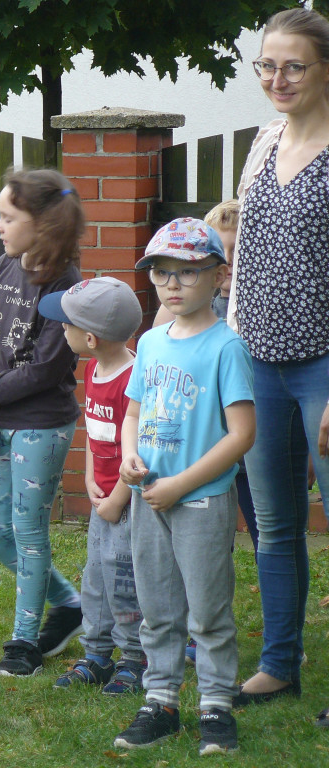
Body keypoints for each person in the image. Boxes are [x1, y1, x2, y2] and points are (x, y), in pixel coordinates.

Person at [114, 218, 254, 755]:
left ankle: (216, 706)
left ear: (219, 276)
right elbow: (133, 414)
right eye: (161, 273)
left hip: (200, 501)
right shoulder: (150, 342)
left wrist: (181, 485)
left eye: (187, 272)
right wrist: (129, 457)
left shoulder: (226, 347)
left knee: (208, 611)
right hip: (149, 498)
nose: (172, 284)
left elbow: (242, 434)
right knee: (157, 608)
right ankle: (161, 702)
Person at [224, 8, 329, 723]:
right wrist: (231, 351)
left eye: (294, 66)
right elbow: (244, 255)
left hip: (324, 365)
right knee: (276, 522)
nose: (277, 79)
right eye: (267, 65)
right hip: (259, 360)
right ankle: (278, 665)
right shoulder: (263, 141)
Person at [0, 169, 85, 676]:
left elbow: (47, 368)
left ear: (44, 224)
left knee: (29, 530)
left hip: (41, 424)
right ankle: (69, 604)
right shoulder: (3, 266)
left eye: (8, 218)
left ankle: (24, 643)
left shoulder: (66, 284)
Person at [38, 277, 146, 695]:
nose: (60, 328)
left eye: (65, 324)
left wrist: (118, 499)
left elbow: (140, 448)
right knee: (96, 577)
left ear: (90, 338)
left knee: (126, 581)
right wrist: (88, 476)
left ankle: (135, 659)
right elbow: (96, 432)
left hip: (128, 502)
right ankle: (97, 655)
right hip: (105, 500)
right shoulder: (93, 367)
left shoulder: (133, 378)